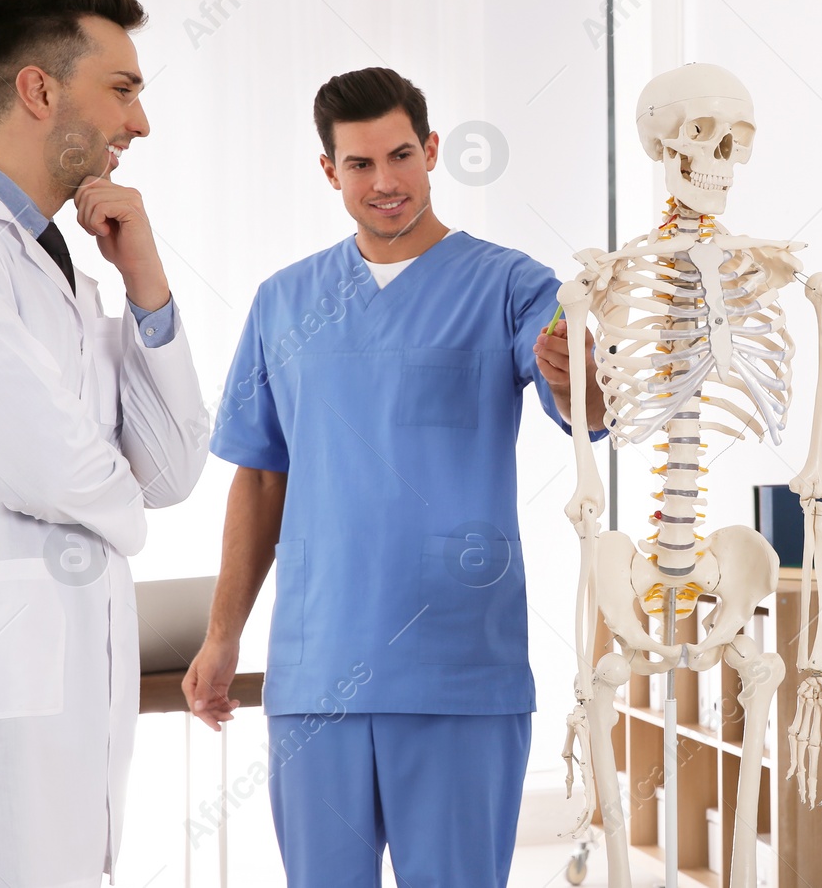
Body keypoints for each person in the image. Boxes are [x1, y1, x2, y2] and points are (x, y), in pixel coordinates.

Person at [183, 67, 606, 888]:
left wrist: (570, 368)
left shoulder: (511, 283)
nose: (385, 182)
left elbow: (582, 399)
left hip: (458, 671)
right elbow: (261, 479)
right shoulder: (285, 301)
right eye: (360, 164)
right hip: (315, 669)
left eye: (401, 155)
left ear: (433, 150)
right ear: (329, 171)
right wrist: (223, 633)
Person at [0, 0, 209, 886]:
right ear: (38, 89)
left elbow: (174, 466)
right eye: (123, 89)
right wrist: (119, 513)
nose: (138, 122)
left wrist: (147, 281)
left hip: (55, 716)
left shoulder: (64, 270)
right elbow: (54, 470)